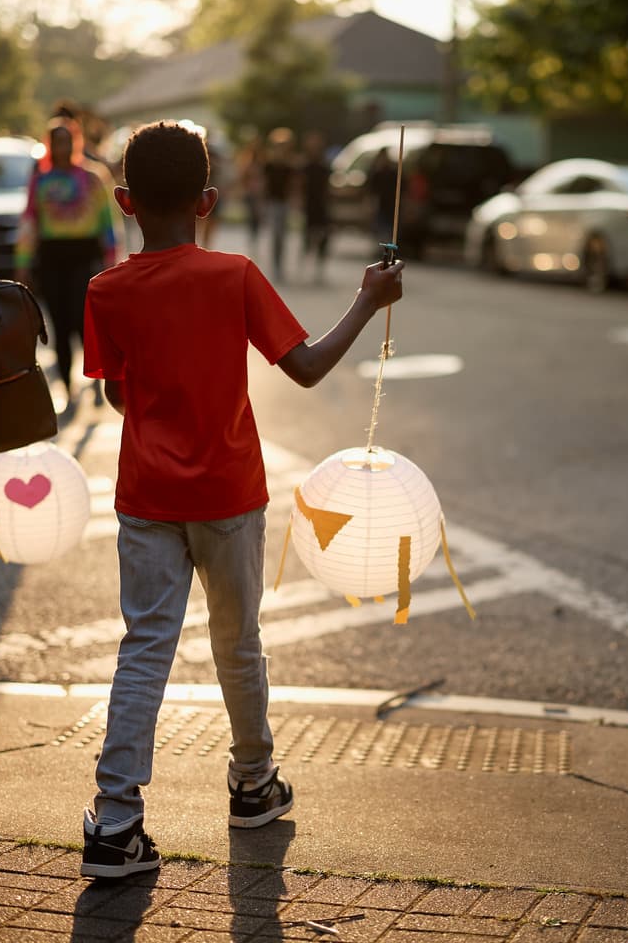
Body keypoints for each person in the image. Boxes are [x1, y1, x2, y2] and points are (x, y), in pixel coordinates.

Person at [79, 120, 405, 878]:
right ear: (209, 199)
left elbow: (119, 395)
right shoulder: (235, 276)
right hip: (228, 493)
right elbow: (309, 367)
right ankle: (254, 784)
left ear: (124, 201)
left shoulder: (106, 290)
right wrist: (366, 299)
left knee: (144, 648)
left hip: (145, 496)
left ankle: (116, 821)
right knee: (239, 642)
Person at [16, 117, 117, 412]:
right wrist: (22, 263)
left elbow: (107, 222)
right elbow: (30, 221)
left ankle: (96, 381)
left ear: (76, 142)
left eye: (68, 139)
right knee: (58, 324)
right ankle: (68, 389)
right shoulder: (41, 179)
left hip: (85, 255)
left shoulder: (93, 177)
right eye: (57, 140)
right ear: (50, 145)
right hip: (52, 256)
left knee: (82, 321)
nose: (63, 146)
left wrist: (111, 260)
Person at [261, 126, 295, 283]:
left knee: (282, 235)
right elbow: (264, 184)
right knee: (276, 234)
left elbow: (293, 185)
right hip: (273, 203)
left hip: (284, 203)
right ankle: (275, 266)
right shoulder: (269, 165)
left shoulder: (289, 166)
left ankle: (280, 264)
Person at [299, 131, 331, 283]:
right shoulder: (305, 166)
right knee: (308, 236)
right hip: (309, 206)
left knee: (323, 237)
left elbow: (328, 187)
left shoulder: (325, 166)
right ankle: (305, 265)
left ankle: (319, 268)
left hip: (322, 206)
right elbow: (300, 186)